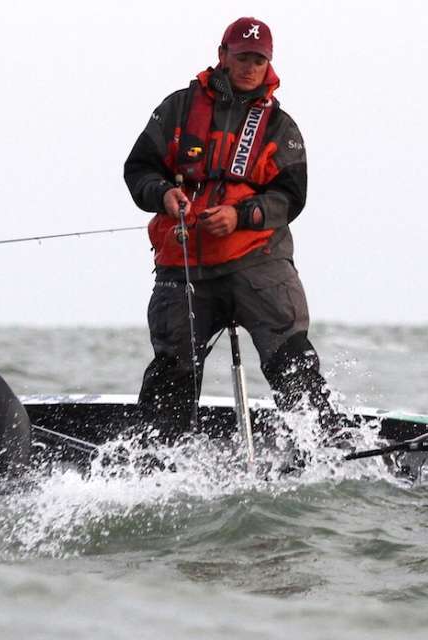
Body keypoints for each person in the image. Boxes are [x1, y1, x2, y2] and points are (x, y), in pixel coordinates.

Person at [124, 16, 343, 444]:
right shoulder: (177, 108)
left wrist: (239, 216)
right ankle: (158, 461)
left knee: (292, 362)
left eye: (258, 60)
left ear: (269, 64)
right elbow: (139, 169)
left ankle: (324, 451)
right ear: (223, 55)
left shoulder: (281, 126)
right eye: (242, 58)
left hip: (258, 264)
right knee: (171, 372)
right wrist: (164, 194)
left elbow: (291, 197)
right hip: (183, 267)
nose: (249, 68)